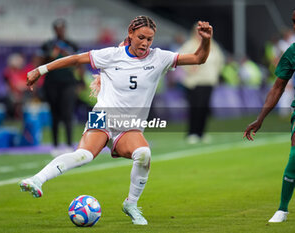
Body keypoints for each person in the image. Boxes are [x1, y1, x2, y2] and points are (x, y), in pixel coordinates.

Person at [20, 16, 213, 225]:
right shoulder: (111, 55)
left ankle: (131, 204)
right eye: (141, 37)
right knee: (83, 155)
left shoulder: (160, 58)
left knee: (144, 154)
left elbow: (198, 58)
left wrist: (206, 40)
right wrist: (40, 70)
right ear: (130, 34)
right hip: (103, 115)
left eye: (150, 39)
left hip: (130, 125)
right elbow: (75, 59)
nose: (145, 43)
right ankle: (37, 179)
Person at [243, 9, 295, 223]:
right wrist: (261, 117)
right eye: (294, 21)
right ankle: (282, 209)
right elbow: (277, 87)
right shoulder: (292, 51)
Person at [41, 18, 83, 156]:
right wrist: (52, 55)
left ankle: (69, 144)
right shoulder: (48, 45)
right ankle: (55, 145)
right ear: (54, 30)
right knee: (54, 114)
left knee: (67, 113)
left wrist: (81, 81)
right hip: (52, 82)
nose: (60, 31)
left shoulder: (72, 44)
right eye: (58, 28)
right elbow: (41, 61)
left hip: (68, 83)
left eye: (62, 28)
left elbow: (80, 62)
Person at [179, 23, 225, 144]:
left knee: (204, 108)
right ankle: (192, 133)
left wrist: (216, 73)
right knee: (195, 108)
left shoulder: (213, 45)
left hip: (209, 81)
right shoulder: (190, 45)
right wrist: (190, 68)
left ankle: (201, 133)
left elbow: (220, 61)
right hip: (194, 82)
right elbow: (180, 59)